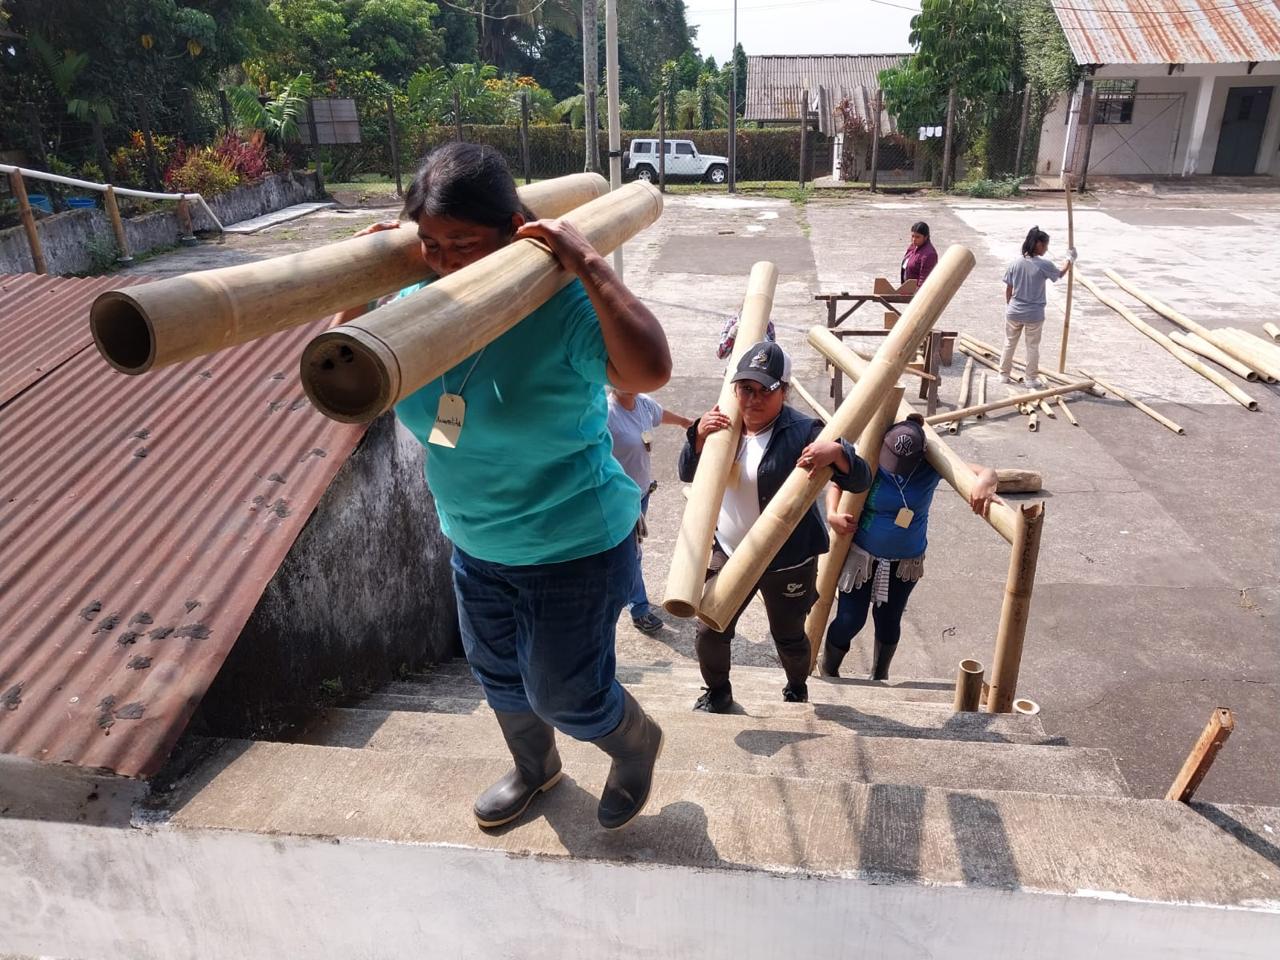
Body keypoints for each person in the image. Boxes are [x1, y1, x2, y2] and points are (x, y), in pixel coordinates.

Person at [334, 143, 671, 832]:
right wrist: (361, 282)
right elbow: (349, 379)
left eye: (465, 242)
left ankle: (635, 741)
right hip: (475, 540)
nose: (447, 258)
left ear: (514, 226)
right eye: (430, 242)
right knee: (498, 677)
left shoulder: (557, 301)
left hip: (573, 542)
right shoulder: (416, 302)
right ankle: (535, 769)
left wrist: (589, 263)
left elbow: (651, 369)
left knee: (566, 692)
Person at [678, 341, 871, 713]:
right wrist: (697, 437)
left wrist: (840, 454)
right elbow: (687, 472)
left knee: (788, 636)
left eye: (764, 390)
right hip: (729, 550)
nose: (752, 399)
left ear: (784, 390)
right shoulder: (723, 423)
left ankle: (797, 685)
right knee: (709, 629)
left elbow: (859, 480)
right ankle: (718, 692)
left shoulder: (804, 431)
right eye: (744, 388)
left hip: (787, 559)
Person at [820, 414, 998, 681]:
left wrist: (986, 479)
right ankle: (829, 671)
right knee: (850, 619)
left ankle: (879, 676)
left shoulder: (932, 465)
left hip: (905, 562)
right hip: (862, 557)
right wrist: (832, 514)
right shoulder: (868, 456)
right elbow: (837, 481)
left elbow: (983, 471)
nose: (895, 468)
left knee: (889, 621)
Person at [606, 389, 692, 635]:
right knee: (632, 553)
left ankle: (630, 595)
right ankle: (639, 610)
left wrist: (685, 423)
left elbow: (658, 414)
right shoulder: (607, 413)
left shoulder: (642, 403)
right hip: (621, 499)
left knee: (633, 550)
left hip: (642, 494)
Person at [1000, 225, 1076, 389]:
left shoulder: (1015, 263)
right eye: (1046, 245)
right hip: (1034, 313)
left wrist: (1010, 305)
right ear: (1039, 244)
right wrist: (1069, 260)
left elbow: (1008, 288)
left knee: (1009, 343)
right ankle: (1030, 378)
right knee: (1032, 346)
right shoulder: (1044, 265)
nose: (1047, 249)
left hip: (1014, 310)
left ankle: (1004, 375)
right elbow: (1060, 273)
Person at [901, 221, 938, 287]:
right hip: (906, 289)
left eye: (917, 237)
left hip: (915, 293)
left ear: (925, 237)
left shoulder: (929, 254)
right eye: (912, 236)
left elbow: (924, 279)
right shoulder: (913, 246)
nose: (914, 239)